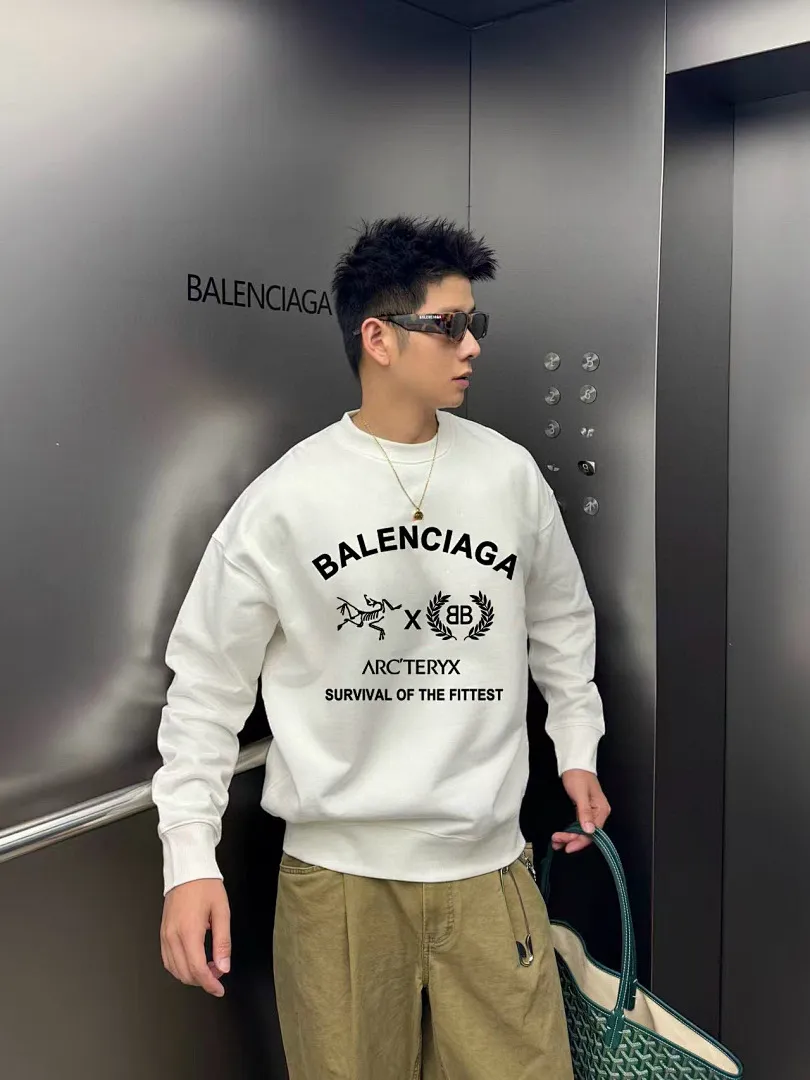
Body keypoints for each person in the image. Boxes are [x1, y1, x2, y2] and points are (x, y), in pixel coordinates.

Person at [152, 215, 610, 1079]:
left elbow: (562, 622)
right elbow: (206, 688)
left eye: (475, 323)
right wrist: (188, 860)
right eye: (449, 325)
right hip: (339, 888)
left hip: (487, 874)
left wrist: (576, 747)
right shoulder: (287, 498)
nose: (471, 345)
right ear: (378, 339)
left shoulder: (509, 475)